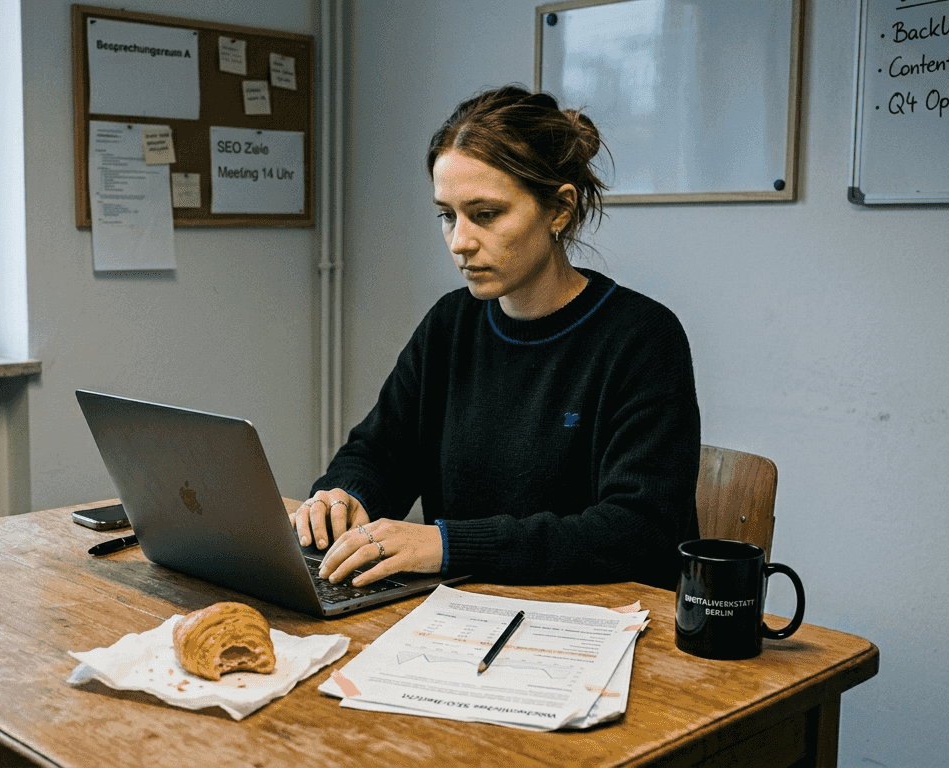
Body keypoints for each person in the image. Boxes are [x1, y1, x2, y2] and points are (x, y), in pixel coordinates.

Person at [289, 85, 700, 591]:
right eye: (448, 215)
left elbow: (638, 533)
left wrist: (444, 545)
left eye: (485, 215)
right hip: (466, 615)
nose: (460, 242)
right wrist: (343, 498)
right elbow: (379, 453)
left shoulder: (642, 338)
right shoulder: (450, 324)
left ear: (560, 210)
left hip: (599, 629)